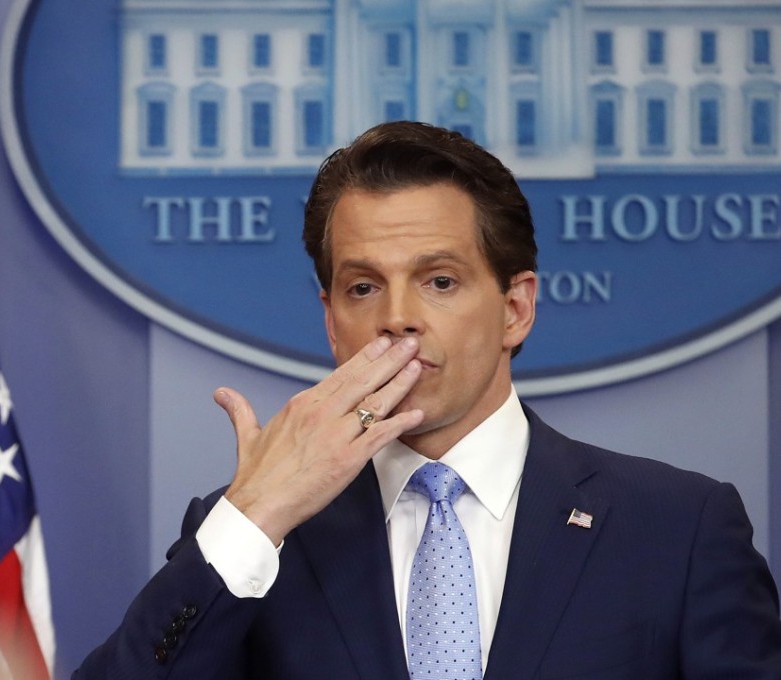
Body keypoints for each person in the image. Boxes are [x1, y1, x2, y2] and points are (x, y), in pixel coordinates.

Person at [74, 121, 781, 679]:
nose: (398, 317)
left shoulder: (678, 529)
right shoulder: (256, 536)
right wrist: (255, 516)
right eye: (362, 287)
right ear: (330, 320)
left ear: (516, 309)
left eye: (439, 281)